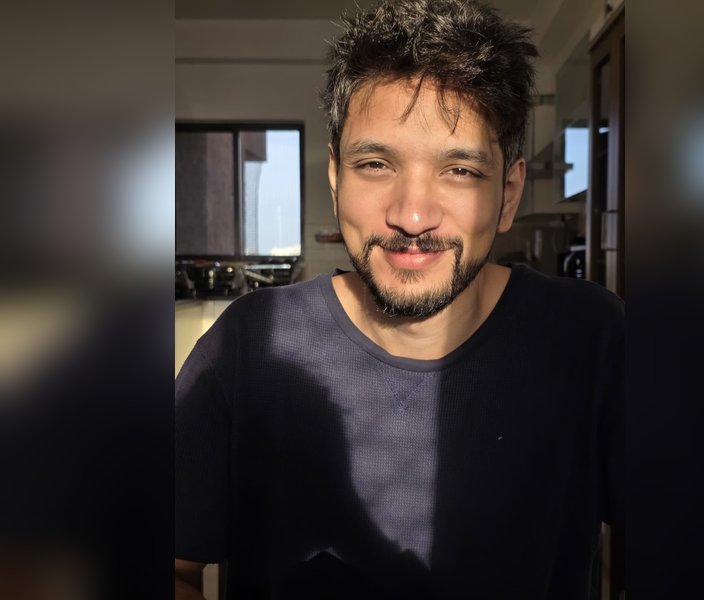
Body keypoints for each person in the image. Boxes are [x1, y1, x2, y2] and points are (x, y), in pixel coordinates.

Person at [175, 0, 623, 598]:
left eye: (460, 170)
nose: (412, 216)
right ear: (335, 177)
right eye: (375, 163)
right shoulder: (250, 348)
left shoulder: (589, 339)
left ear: (509, 194)